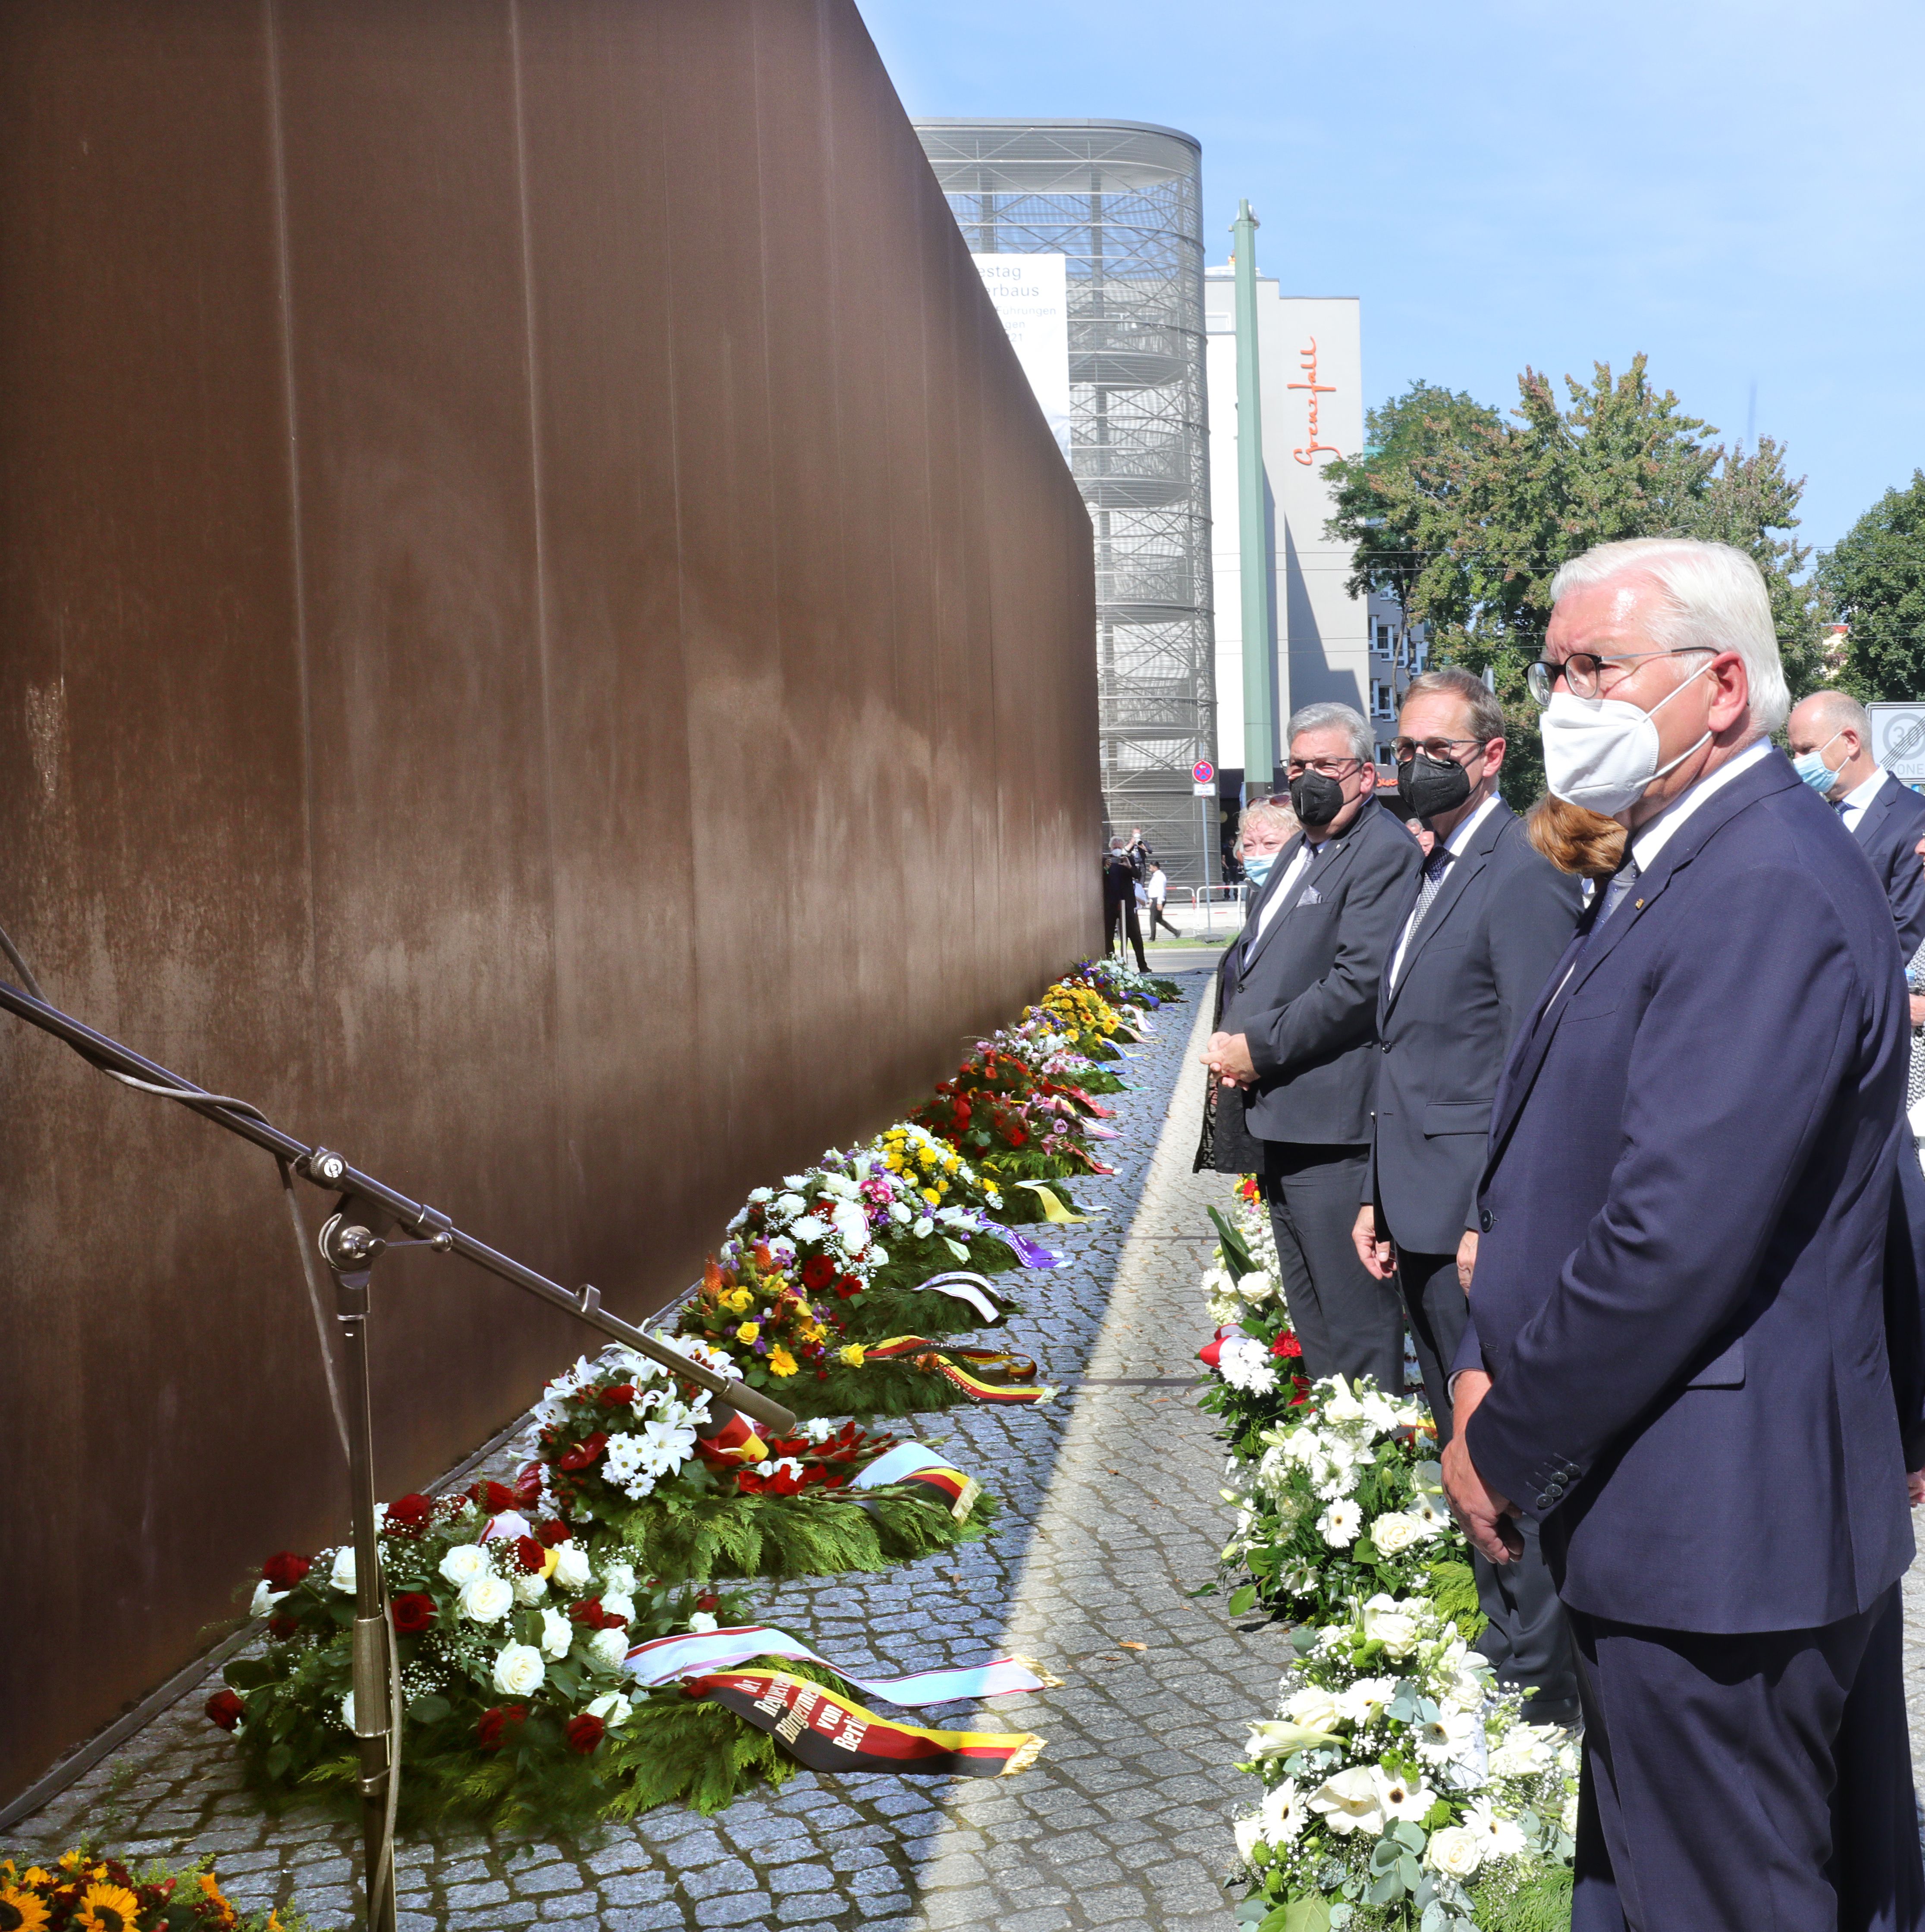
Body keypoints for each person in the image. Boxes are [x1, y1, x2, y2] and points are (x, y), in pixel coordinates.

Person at [1442, 537, 1925, 1931]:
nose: (1559, 699)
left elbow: (1671, 1232)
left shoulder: (1758, 880)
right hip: (1695, 1521)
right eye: (1551, 670)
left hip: (1714, 1533)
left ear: (1720, 688)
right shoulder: (1687, 859)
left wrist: (1507, 1428)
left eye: (1592, 667)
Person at [1349, 668, 1584, 1722]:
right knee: (1454, 1429)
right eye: (1400, 746)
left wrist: (1498, 1213)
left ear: (1489, 756)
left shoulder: (1517, 870)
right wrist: (1372, 1191)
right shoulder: (1427, 867)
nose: (1410, 767)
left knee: (1497, 1435)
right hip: (1412, 1201)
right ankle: (1501, 1630)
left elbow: (1537, 1060)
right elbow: (1403, 1048)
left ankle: (1538, 1675)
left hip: (1473, 1213)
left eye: (1433, 749)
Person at [1201, 703, 1422, 1393]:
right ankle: (1329, 1443)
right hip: (1285, 1121)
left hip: (1336, 1130)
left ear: (1365, 773)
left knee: (1355, 1328)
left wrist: (1256, 1048)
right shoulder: (1303, 846)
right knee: (1315, 1323)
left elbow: (1358, 984)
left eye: (1326, 766)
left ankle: (1371, 1467)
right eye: (1298, 766)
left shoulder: (1381, 852)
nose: (1309, 780)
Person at [1195, 800, 1298, 1177]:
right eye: (1249, 846)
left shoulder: (1303, 900)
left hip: (1279, 1069)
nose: (1256, 856)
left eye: (1270, 845)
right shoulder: (1260, 897)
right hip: (1244, 1066)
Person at [1787, 688, 1925, 954]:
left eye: (1807, 750)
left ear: (1851, 741)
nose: (1798, 762)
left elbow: (1905, 933)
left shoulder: (1915, 817)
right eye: (1795, 752)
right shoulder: (1810, 817)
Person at [1102, 837, 1147, 972]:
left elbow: (1138, 876)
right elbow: (1102, 878)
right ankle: (1112, 965)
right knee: (1109, 936)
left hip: (1127, 904)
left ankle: (1143, 966)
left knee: (1135, 936)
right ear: (1110, 848)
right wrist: (1106, 869)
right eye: (1114, 846)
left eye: (1119, 846)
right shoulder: (1106, 861)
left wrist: (1129, 866)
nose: (1117, 849)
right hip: (1111, 904)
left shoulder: (1128, 860)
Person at [1144, 862, 1181, 941]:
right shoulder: (1156, 876)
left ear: (1155, 868)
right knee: (1158, 919)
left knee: (1153, 919)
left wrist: (1159, 902)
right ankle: (1176, 932)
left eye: (1151, 867)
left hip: (1158, 899)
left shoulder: (1160, 877)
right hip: (1155, 899)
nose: (1149, 869)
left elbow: (1161, 890)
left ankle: (1152, 938)